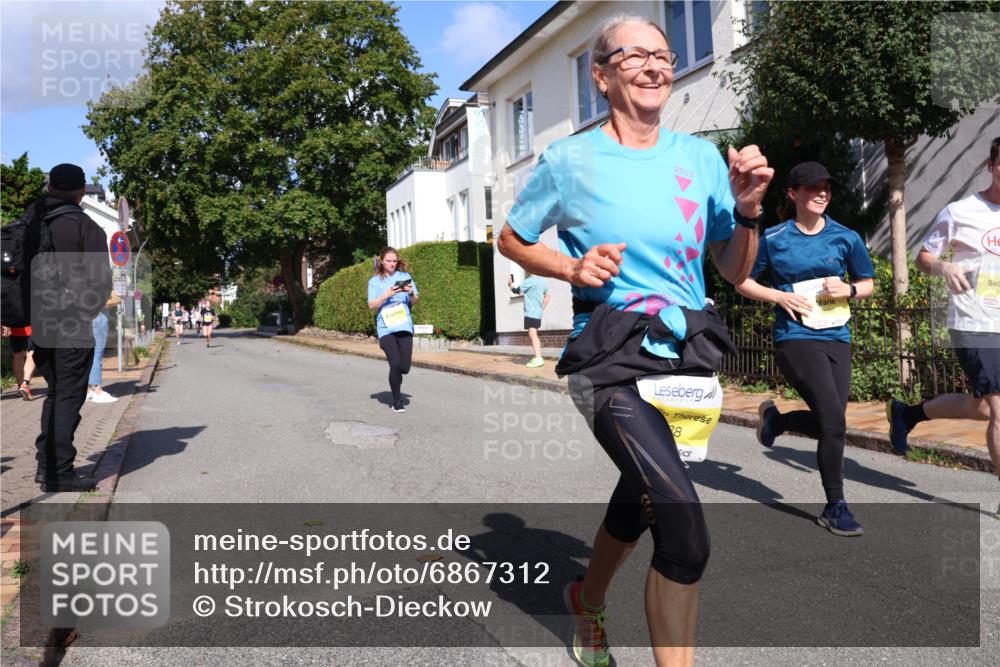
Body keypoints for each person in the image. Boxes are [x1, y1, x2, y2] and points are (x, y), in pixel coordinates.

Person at [497, 15, 772, 667]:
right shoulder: (569, 161)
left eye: (664, 55)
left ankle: (584, 598)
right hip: (607, 355)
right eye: (635, 55)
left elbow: (733, 268)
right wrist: (571, 267)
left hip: (684, 356)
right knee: (684, 531)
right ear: (600, 76)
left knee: (644, 493)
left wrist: (749, 211)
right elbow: (510, 238)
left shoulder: (700, 159)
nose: (655, 66)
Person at [735, 161, 875, 536]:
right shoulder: (775, 238)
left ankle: (777, 421)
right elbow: (742, 281)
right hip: (795, 337)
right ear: (793, 193)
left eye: (826, 187)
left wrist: (848, 289)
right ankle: (835, 507)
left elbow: (867, 283)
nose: (821, 193)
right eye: (812, 187)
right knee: (833, 421)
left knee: (833, 421)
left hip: (836, 337)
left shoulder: (846, 237)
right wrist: (779, 296)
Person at [887, 136, 1000, 519]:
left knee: (984, 408)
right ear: (991, 166)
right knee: (999, 409)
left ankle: (909, 414)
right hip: (975, 321)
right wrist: (946, 267)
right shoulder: (961, 211)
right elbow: (923, 257)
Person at [29, 163, 112, 492]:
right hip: (71, 324)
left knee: (55, 394)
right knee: (67, 397)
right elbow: (100, 283)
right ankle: (58, 472)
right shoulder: (86, 228)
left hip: (40, 324)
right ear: (81, 192)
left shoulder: (32, 221)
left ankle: (46, 465)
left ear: (50, 188)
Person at [367, 247, 420, 413]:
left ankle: (397, 383)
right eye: (388, 261)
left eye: (394, 261)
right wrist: (386, 295)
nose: (391, 264)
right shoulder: (374, 281)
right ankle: (397, 401)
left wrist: (411, 293)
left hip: (404, 324)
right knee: (395, 363)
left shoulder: (405, 277)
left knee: (404, 367)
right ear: (382, 261)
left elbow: (416, 300)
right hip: (386, 327)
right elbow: (371, 305)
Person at [508, 271, 551, 368]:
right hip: (537, 313)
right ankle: (538, 357)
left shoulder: (529, 281)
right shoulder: (542, 281)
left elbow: (516, 291)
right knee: (533, 334)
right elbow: (547, 295)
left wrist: (510, 285)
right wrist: (541, 307)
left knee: (532, 334)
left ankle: (538, 358)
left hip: (531, 312)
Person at [87, 290, 122, 404]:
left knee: (89, 355)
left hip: (87, 318)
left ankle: (89, 390)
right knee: (97, 355)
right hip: (99, 317)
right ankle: (97, 390)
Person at [10, 325, 37, 400]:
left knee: (18, 354)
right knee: (32, 352)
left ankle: (20, 386)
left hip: (14, 326)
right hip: (30, 327)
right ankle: (25, 384)